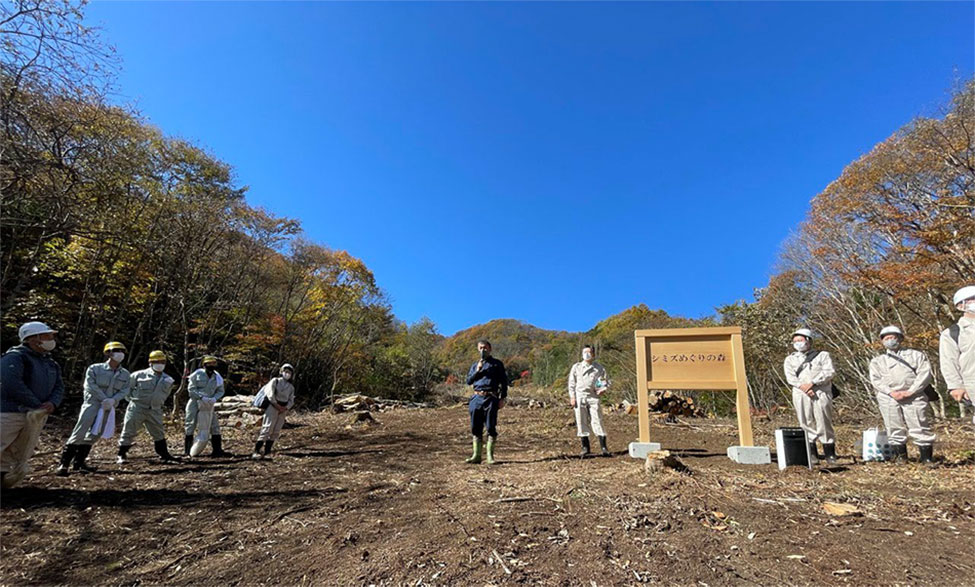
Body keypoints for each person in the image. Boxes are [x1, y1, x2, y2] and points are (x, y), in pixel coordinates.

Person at [1, 322, 64, 487]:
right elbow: (11, 383)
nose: (51, 339)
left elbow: (59, 386)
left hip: (35, 415)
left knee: (16, 450)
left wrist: (52, 403)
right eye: (47, 336)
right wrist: (36, 404)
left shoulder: (50, 363)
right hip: (10, 412)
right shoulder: (15, 357)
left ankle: (4, 481)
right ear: (32, 339)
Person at [57, 341, 131, 476]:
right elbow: (90, 385)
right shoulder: (95, 369)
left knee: (95, 433)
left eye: (122, 351)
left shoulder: (125, 374)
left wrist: (113, 400)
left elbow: (125, 390)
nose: (120, 353)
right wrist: (104, 398)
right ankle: (64, 464)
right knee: (80, 431)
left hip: (109, 407)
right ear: (108, 353)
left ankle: (79, 463)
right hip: (92, 404)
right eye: (116, 350)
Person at [868, 326, 935, 463]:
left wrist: (911, 391)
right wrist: (891, 392)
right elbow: (876, 380)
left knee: (920, 425)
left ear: (900, 338)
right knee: (893, 426)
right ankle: (900, 457)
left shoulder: (916, 355)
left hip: (914, 395)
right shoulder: (877, 361)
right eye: (886, 338)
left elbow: (925, 374)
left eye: (893, 337)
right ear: (882, 342)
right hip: (889, 397)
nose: (890, 341)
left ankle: (926, 458)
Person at [783, 328, 837, 464]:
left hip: (821, 392)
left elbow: (829, 372)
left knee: (824, 420)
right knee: (805, 421)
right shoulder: (790, 359)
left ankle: (829, 452)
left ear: (808, 341)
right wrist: (804, 388)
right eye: (795, 341)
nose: (798, 343)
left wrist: (813, 383)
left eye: (800, 340)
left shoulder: (822, 355)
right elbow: (790, 378)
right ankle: (812, 452)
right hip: (801, 393)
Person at [116, 350, 179, 464]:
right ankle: (122, 454)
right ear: (150, 362)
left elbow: (166, 394)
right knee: (129, 431)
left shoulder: (168, 379)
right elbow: (127, 390)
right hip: (137, 408)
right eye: (157, 361)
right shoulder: (138, 375)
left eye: (162, 361)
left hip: (155, 410)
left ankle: (164, 454)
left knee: (158, 433)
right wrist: (133, 401)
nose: (160, 364)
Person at [464, 339, 508, 465]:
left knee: (490, 426)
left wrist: (502, 398)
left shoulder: (497, 364)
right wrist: (478, 370)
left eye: (485, 347)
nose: (483, 350)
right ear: (478, 349)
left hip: (491, 397)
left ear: (490, 349)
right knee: (475, 427)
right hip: (476, 398)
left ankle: (490, 456)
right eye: (481, 348)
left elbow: (504, 382)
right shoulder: (475, 364)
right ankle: (476, 455)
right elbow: (469, 381)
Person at [568, 344, 611, 457]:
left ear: (593, 354)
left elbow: (603, 381)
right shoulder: (576, 367)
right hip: (579, 396)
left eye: (589, 352)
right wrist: (572, 397)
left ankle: (603, 447)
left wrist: (602, 389)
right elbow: (571, 383)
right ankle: (585, 447)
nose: (587, 354)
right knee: (581, 421)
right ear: (582, 354)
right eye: (585, 352)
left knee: (597, 419)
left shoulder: (599, 368)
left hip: (593, 396)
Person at [941, 285, 975, 422]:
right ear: (961, 305)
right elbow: (948, 361)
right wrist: (955, 386)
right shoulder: (953, 332)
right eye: (973, 299)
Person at [184, 355, 229, 457]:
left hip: (209, 403)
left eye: (213, 364)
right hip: (195, 402)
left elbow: (220, 390)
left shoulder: (217, 377)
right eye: (209, 364)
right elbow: (191, 389)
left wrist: (214, 398)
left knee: (214, 425)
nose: (211, 366)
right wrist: (201, 397)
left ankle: (217, 451)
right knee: (190, 424)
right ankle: (187, 452)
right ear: (204, 365)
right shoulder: (197, 374)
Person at [252, 363, 296, 460]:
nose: (287, 374)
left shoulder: (291, 387)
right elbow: (270, 394)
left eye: (289, 372)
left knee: (276, 430)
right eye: (286, 372)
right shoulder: (275, 381)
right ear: (282, 372)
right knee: (267, 428)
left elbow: (291, 400)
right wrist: (276, 405)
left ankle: (268, 451)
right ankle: (257, 450)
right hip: (273, 406)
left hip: (283, 409)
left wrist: (285, 408)